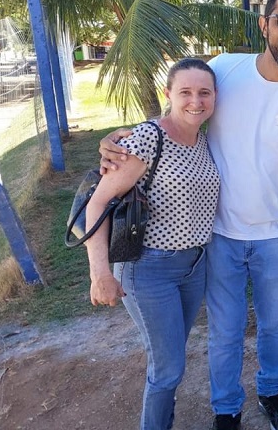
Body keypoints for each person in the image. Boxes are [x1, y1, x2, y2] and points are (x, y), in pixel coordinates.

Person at [99, 0, 278, 430]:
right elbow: (181, 110)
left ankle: (272, 391)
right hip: (220, 233)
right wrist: (120, 138)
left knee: (274, 324)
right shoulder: (225, 69)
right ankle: (226, 408)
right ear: (264, 25)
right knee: (225, 330)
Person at [86, 58, 221, 430]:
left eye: (204, 92)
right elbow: (97, 203)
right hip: (149, 269)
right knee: (168, 367)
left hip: (194, 266)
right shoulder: (149, 138)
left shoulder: (202, 139)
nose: (196, 101)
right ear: (168, 94)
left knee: (171, 357)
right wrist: (99, 274)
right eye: (185, 92)